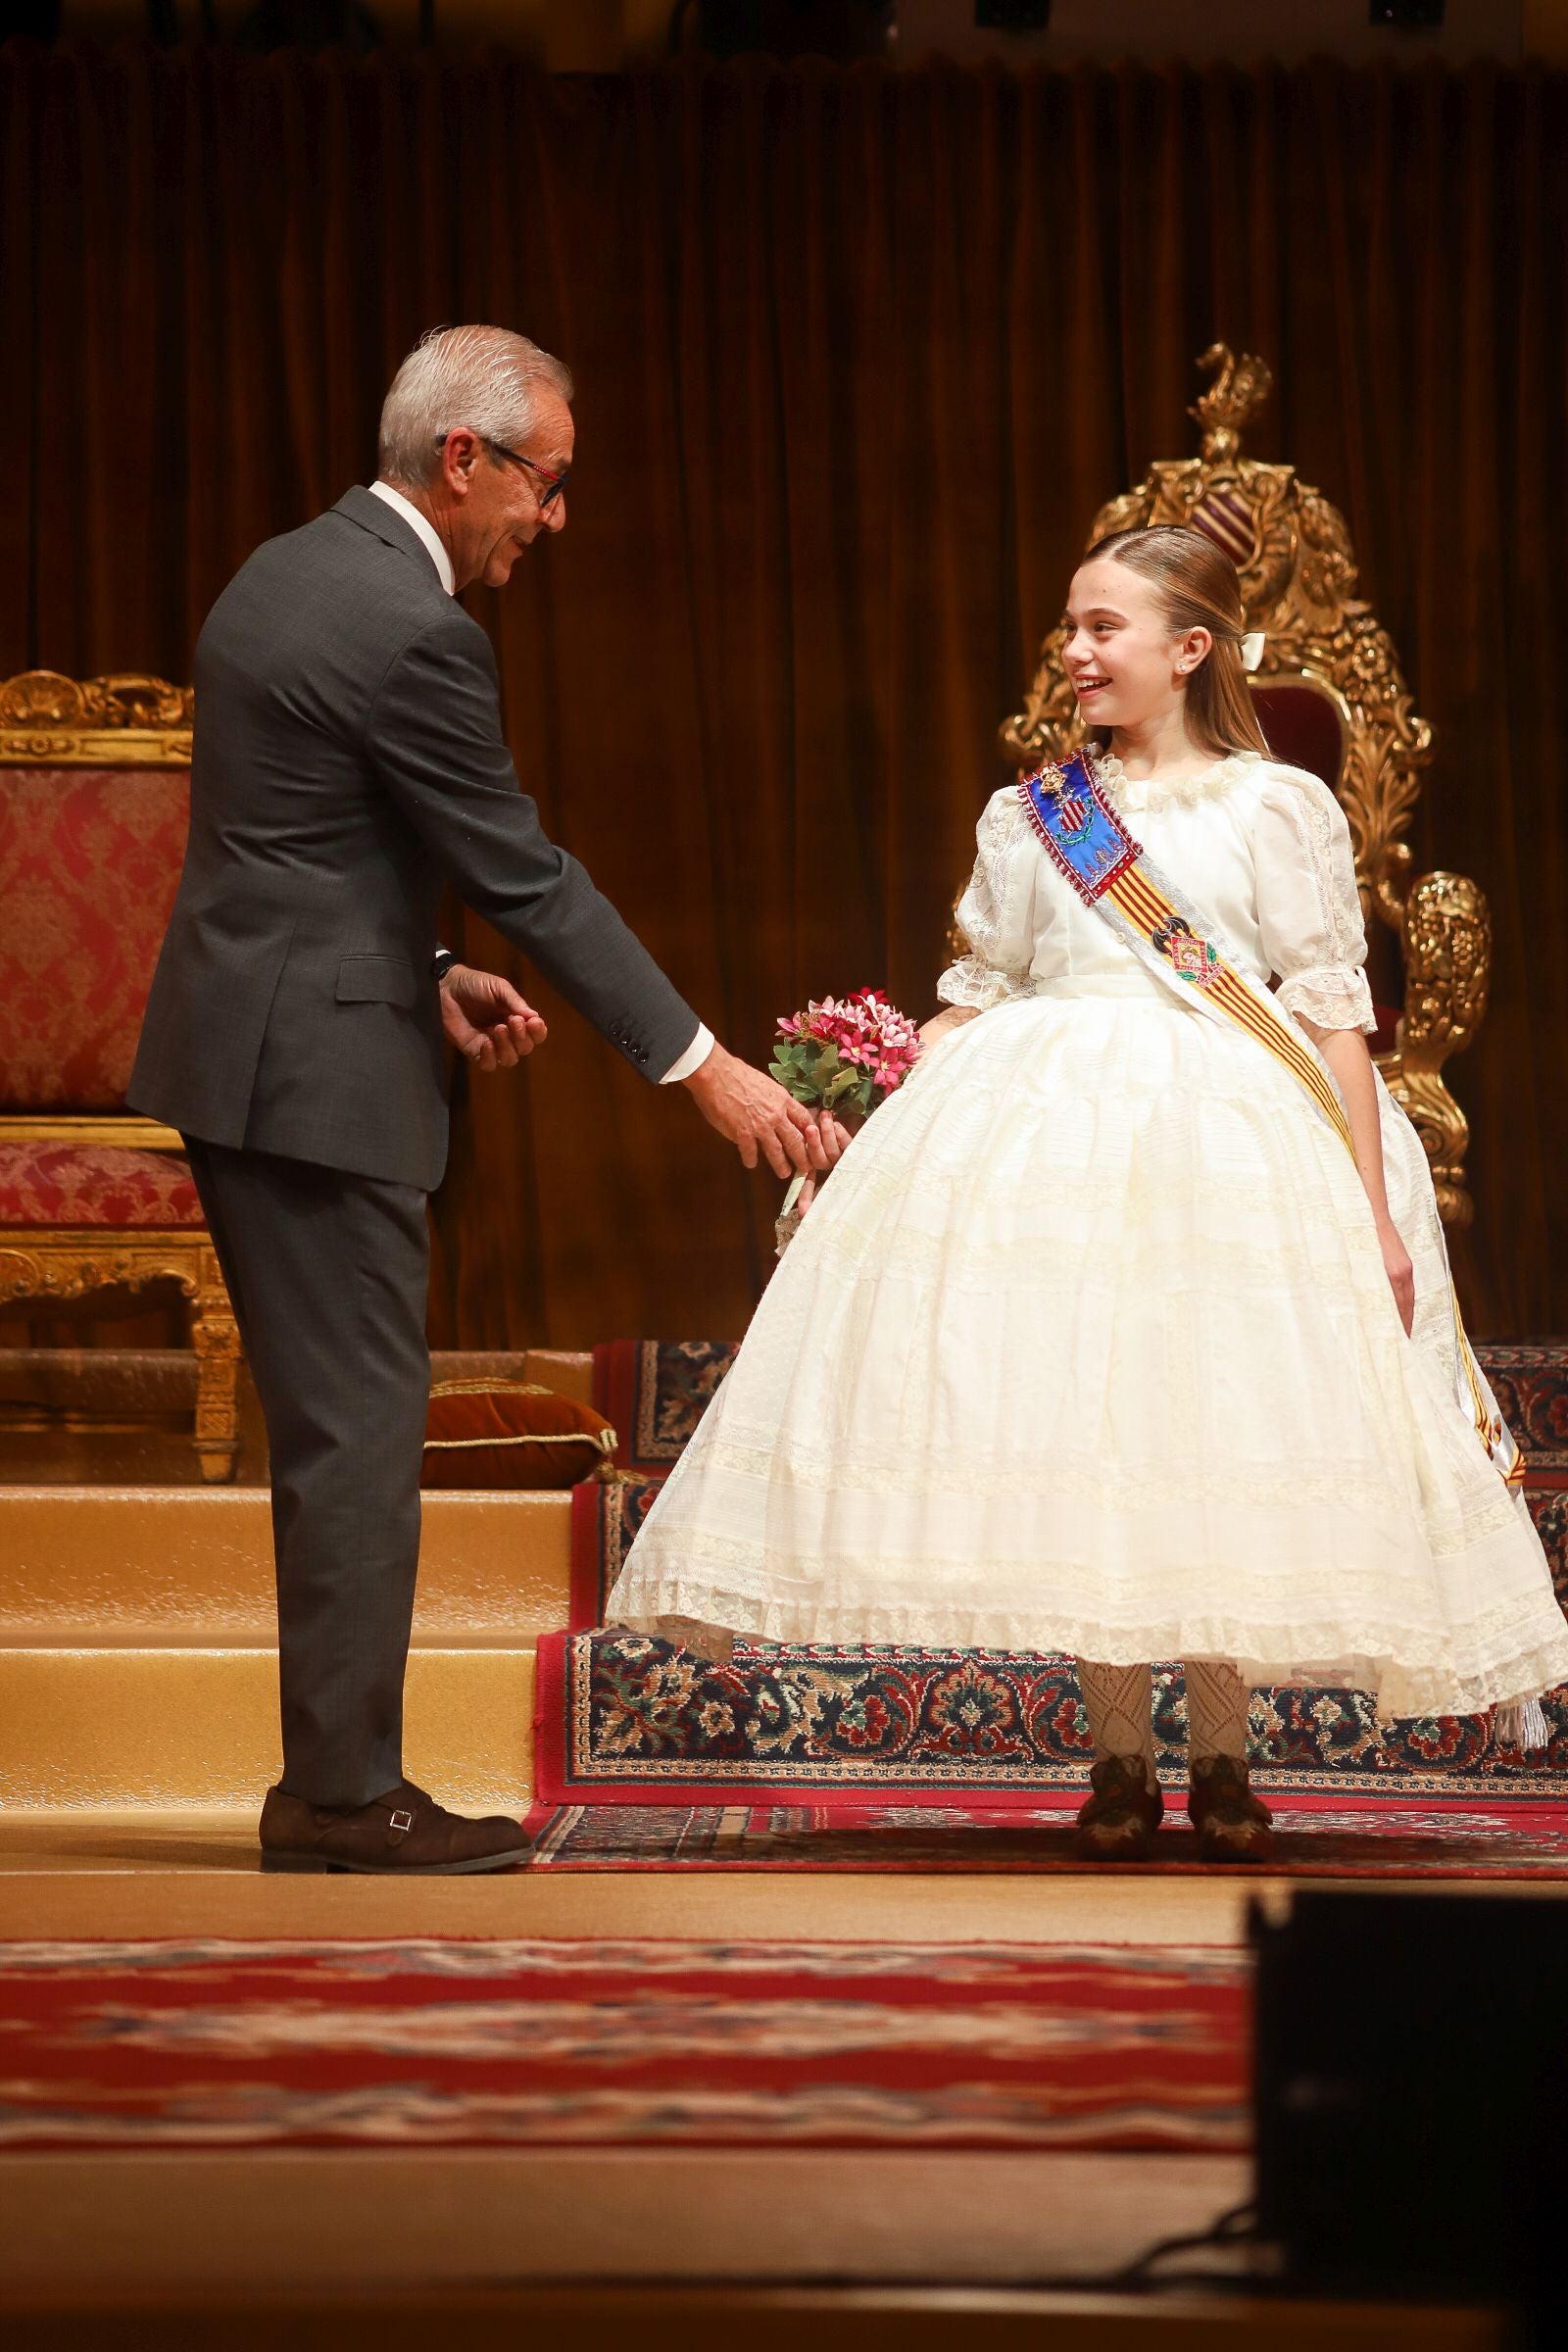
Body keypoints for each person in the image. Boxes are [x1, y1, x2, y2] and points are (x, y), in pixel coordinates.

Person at [609, 523, 1568, 1863]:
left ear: (1190, 649)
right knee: (1103, 1440)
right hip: (1047, 1137)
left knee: (1211, 1430)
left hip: (1231, 1149)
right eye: (1070, 626)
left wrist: (1369, 1211)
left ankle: (1226, 1756)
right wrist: (873, 1099)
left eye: (1104, 628)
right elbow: (980, 991)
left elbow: (1335, 1019)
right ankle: (1117, 1756)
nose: (1075, 651)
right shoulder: (1034, 814)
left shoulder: (1274, 806)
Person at [131, 323, 838, 1876]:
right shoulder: (414, 631)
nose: (553, 518)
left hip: (258, 1043)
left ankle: (328, 1778)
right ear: (464, 461)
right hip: (310, 1081)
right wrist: (702, 1069)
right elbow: (531, 873)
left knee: (342, 1425)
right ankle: (338, 1799)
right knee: (361, 1434)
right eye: (546, 481)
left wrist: (424, 964)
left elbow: (295, 847)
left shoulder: (280, 570)